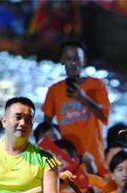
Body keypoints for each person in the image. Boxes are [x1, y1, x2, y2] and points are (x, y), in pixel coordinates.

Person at [41, 40, 110, 175]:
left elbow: (105, 116)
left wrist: (84, 99)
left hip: (95, 158)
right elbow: (46, 128)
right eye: (68, 58)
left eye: (77, 58)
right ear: (62, 61)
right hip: (69, 162)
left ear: (84, 61)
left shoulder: (98, 85)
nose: (73, 63)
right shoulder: (54, 91)